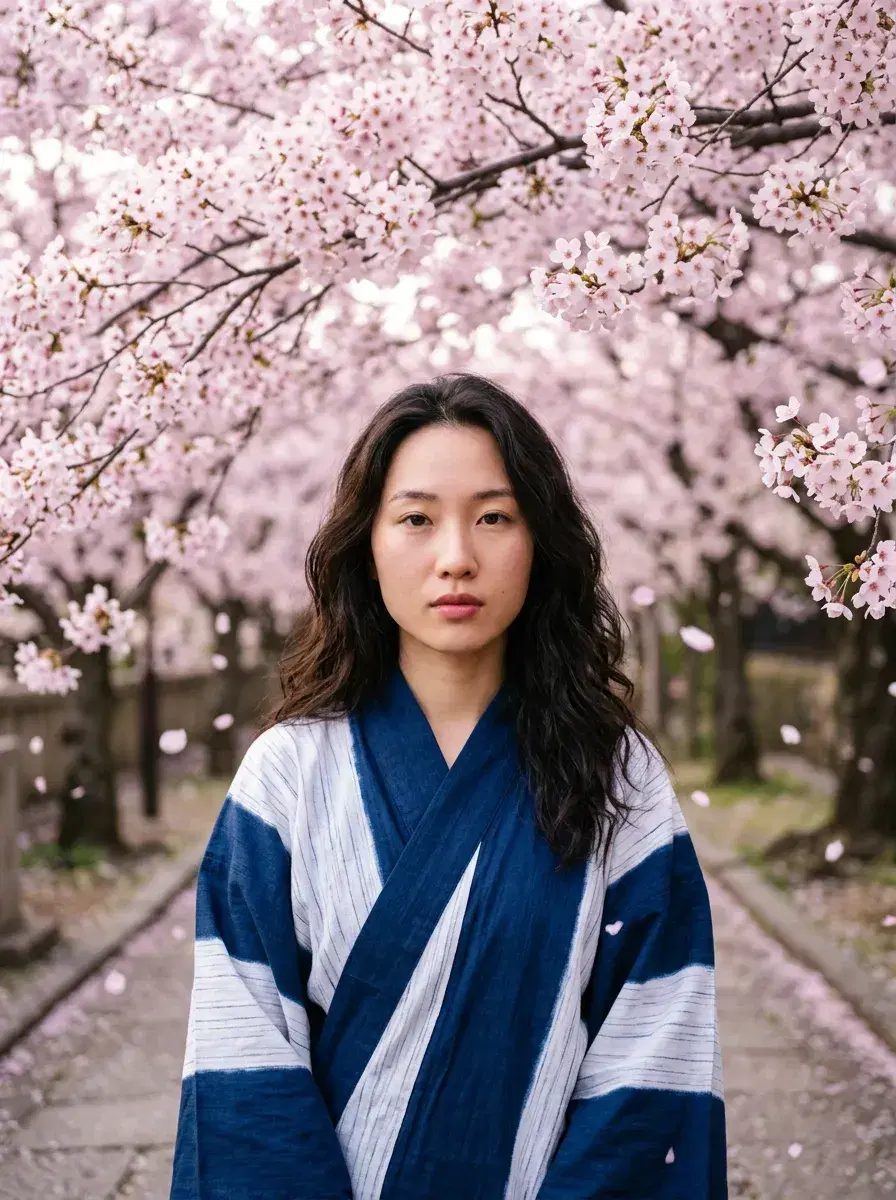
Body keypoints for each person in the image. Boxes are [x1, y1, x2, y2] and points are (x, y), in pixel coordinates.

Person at [170, 373, 727, 1199]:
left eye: (494, 517)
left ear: (540, 541)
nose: (456, 557)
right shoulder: (286, 776)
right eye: (417, 519)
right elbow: (242, 1058)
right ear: (369, 542)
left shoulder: (621, 778)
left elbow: (656, 1047)